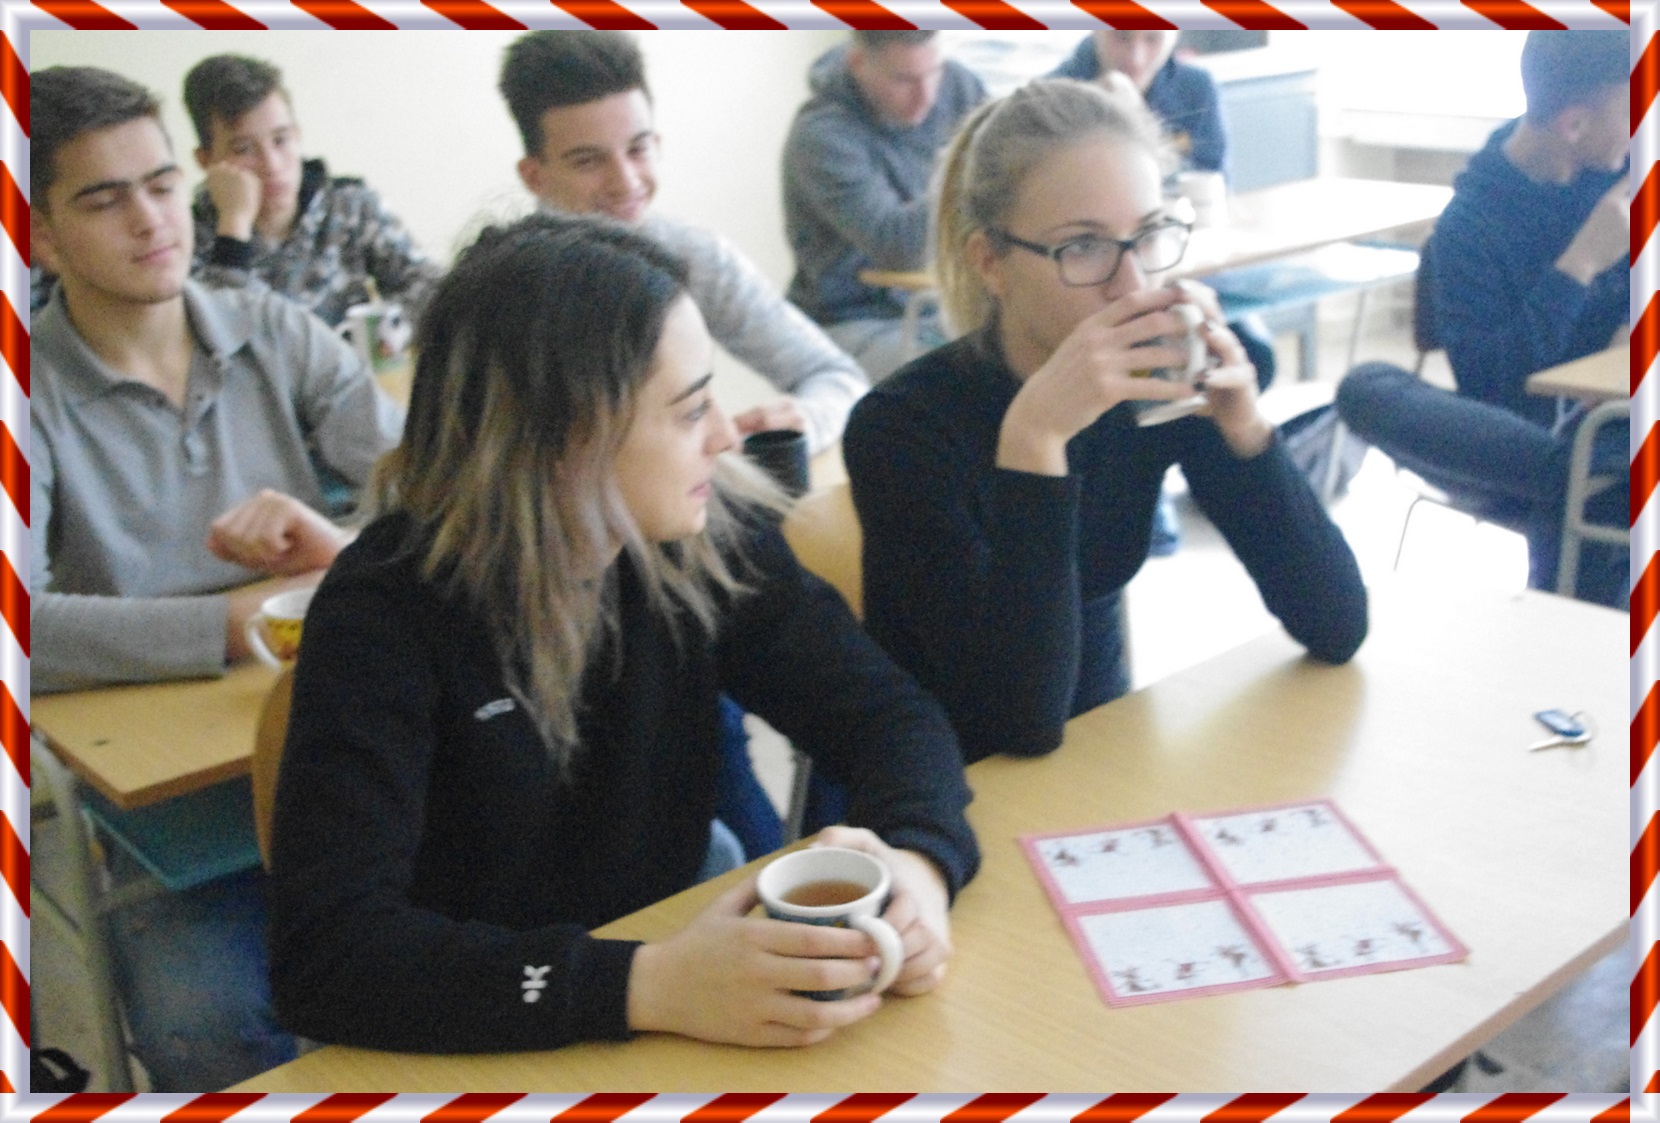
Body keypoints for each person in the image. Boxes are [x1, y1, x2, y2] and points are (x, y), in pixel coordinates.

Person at [266, 213, 980, 1053]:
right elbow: (331, 957)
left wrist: (918, 866)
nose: (725, 434)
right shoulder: (381, 612)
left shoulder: (703, 537)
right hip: (464, 1028)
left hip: (656, 971)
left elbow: (890, 717)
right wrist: (647, 982)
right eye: (688, 410)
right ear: (562, 439)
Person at [29, 66, 402, 1089]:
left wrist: (339, 549)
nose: (153, 220)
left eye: (162, 184)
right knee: (208, 1019)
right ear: (42, 237)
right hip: (171, 809)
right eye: (105, 199)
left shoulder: (270, 326)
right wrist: (237, 621)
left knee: (491, 923)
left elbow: (443, 494)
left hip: (352, 751)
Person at [844, 79, 1368, 766]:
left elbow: (1337, 624)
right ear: (991, 263)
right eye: (1084, 246)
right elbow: (1018, 726)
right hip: (951, 782)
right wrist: (1035, 443)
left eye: (1148, 236)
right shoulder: (901, 430)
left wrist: (1247, 436)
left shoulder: (1154, 383)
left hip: (1100, 749)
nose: (1131, 285)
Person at [1336, 30, 1629, 609]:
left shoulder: (1623, 174)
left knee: (1599, 472)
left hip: (1609, 418)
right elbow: (1495, 386)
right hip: (1517, 438)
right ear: (1574, 124)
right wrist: (1580, 264)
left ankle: (1584, 476)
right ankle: (1580, 474)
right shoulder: (1469, 227)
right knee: (1365, 387)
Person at [499, 30, 866, 457]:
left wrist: (805, 419)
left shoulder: (694, 257)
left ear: (657, 144)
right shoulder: (499, 292)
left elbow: (838, 376)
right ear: (534, 176)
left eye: (638, 150)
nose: (625, 182)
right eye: (588, 161)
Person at [782, 31, 985, 384]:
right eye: (903, 80)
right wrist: (960, 171)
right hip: (853, 319)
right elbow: (899, 246)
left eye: (933, 73)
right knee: (967, 378)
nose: (925, 96)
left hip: (937, 304)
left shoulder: (959, 85)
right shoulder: (821, 137)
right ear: (858, 62)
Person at [183, 54, 442, 328]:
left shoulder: (348, 206)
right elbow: (215, 333)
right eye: (243, 149)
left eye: (281, 140)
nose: (272, 165)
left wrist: (385, 331)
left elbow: (430, 284)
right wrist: (233, 226)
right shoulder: (185, 240)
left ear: (297, 134)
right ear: (205, 160)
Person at [1049, 31, 1225, 179]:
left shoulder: (1196, 87)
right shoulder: (1051, 96)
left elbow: (1211, 184)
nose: (1136, 59)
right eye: (1121, 36)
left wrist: (1140, 120)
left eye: (1153, 38)